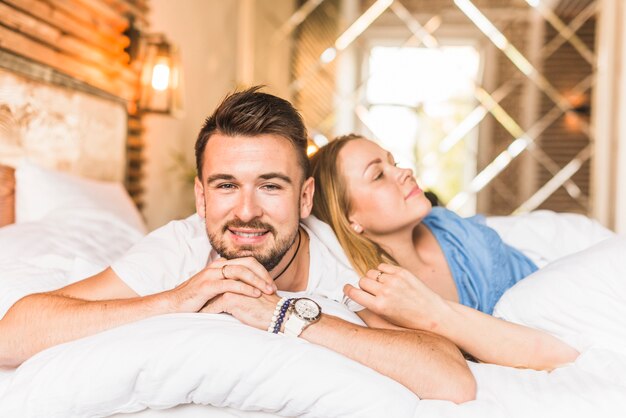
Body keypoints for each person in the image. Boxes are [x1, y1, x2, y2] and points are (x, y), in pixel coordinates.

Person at [0, 88, 475, 403]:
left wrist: (283, 316)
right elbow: (11, 337)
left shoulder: (345, 259)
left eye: (270, 186)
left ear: (305, 197)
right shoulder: (180, 246)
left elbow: (451, 380)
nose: (246, 211)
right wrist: (174, 301)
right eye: (226, 186)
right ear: (201, 197)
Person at [309, 134, 580, 370]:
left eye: (394, 163)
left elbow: (533, 280)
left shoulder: (448, 225)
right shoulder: (383, 300)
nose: (405, 172)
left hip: (569, 310)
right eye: (378, 175)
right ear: (350, 219)